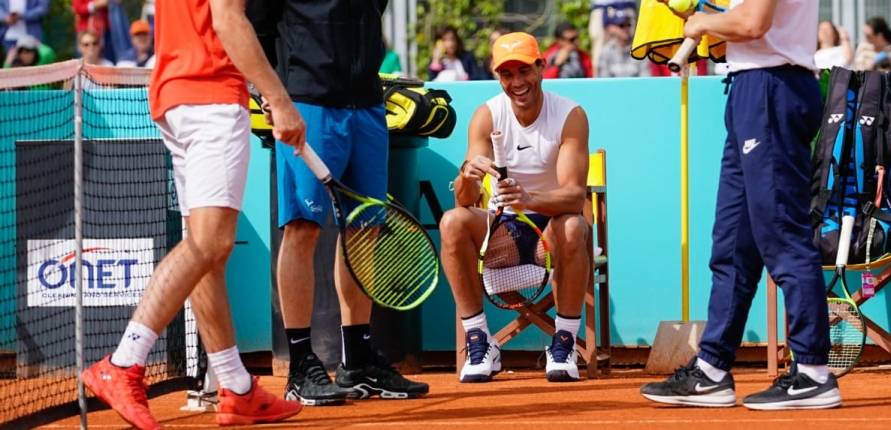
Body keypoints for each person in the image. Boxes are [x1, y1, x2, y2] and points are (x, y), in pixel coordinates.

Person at [80, 0, 307, 427]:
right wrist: (279, 99)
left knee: (209, 254)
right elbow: (226, 19)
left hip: (176, 96)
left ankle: (237, 387)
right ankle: (124, 360)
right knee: (210, 243)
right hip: (211, 97)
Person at [642, 0, 840, 410]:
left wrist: (702, 21)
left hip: (771, 89)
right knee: (733, 243)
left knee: (782, 234)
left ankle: (813, 371)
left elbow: (752, 23)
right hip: (751, 88)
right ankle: (712, 369)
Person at [250, 0, 430, 405]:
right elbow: (253, 27)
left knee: (364, 229)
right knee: (302, 228)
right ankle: (299, 365)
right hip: (307, 102)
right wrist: (271, 94)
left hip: (367, 102)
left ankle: (358, 361)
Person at [440, 31, 591, 383]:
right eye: (507, 74)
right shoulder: (486, 116)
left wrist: (529, 199)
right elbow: (463, 200)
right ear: (498, 77)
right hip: (502, 230)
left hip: (552, 227)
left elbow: (574, 197)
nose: (517, 82)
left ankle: (564, 341)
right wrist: (467, 175)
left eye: (524, 71)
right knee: (452, 223)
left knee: (573, 225)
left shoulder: (570, 115)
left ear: (540, 67)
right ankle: (480, 340)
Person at [597, 8, 648, 77]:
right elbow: (603, 80)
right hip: (613, 87)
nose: (626, 29)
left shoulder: (639, 50)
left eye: (628, 25)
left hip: (636, 87)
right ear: (613, 28)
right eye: (621, 26)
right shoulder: (606, 51)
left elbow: (645, 78)